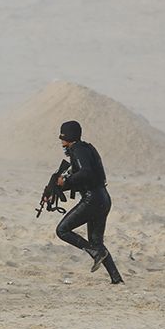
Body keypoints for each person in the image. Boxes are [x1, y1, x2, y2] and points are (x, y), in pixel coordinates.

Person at [47, 120, 123, 284]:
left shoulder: (78, 150)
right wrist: (57, 190)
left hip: (93, 199)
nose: (61, 142)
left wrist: (66, 181)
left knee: (62, 230)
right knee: (96, 242)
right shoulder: (86, 148)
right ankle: (116, 279)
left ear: (68, 137)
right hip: (102, 198)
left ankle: (94, 253)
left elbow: (86, 173)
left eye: (63, 138)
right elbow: (84, 177)